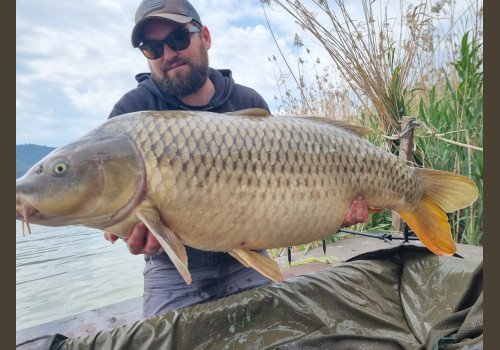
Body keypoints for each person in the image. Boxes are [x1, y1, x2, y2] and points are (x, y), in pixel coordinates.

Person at [104, 0, 369, 318]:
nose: (168, 54)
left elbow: (283, 196)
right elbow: (113, 213)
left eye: (178, 39)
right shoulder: (130, 115)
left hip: (249, 258)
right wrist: (126, 233)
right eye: (152, 48)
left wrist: (332, 209)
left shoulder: (248, 102)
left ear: (205, 36)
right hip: (172, 271)